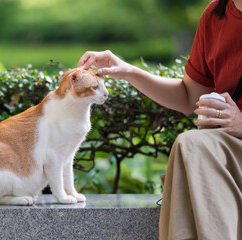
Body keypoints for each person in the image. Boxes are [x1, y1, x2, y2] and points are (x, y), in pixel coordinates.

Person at [78, 0, 242, 239]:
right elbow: (189, 97)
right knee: (192, 147)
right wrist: (128, 72)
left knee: (195, 146)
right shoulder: (215, 16)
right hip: (228, 151)